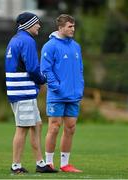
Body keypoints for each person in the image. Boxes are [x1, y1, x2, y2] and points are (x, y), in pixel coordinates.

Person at [5, 12, 58, 174]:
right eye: (36, 23)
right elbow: (33, 68)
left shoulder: (15, 39)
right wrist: (43, 79)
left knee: (37, 125)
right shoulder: (27, 41)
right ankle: (16, 166)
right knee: (22, 128)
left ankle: (40, 163)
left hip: (19, 90)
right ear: (28, 25)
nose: (39, 26)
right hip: (23, 91)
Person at [40, 14, 84, 172]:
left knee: (71, 128)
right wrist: (55, 86)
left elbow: (79, 69)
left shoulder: (76, 46)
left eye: (73, 26)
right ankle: (49, 162)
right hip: (57, 94)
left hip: (73, 95)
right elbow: (45, 69)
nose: (73, 29)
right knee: (54, 127)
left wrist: (80, 87)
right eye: (69, 26)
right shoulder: (50, 46)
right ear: (60, 27)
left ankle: (65, 164)